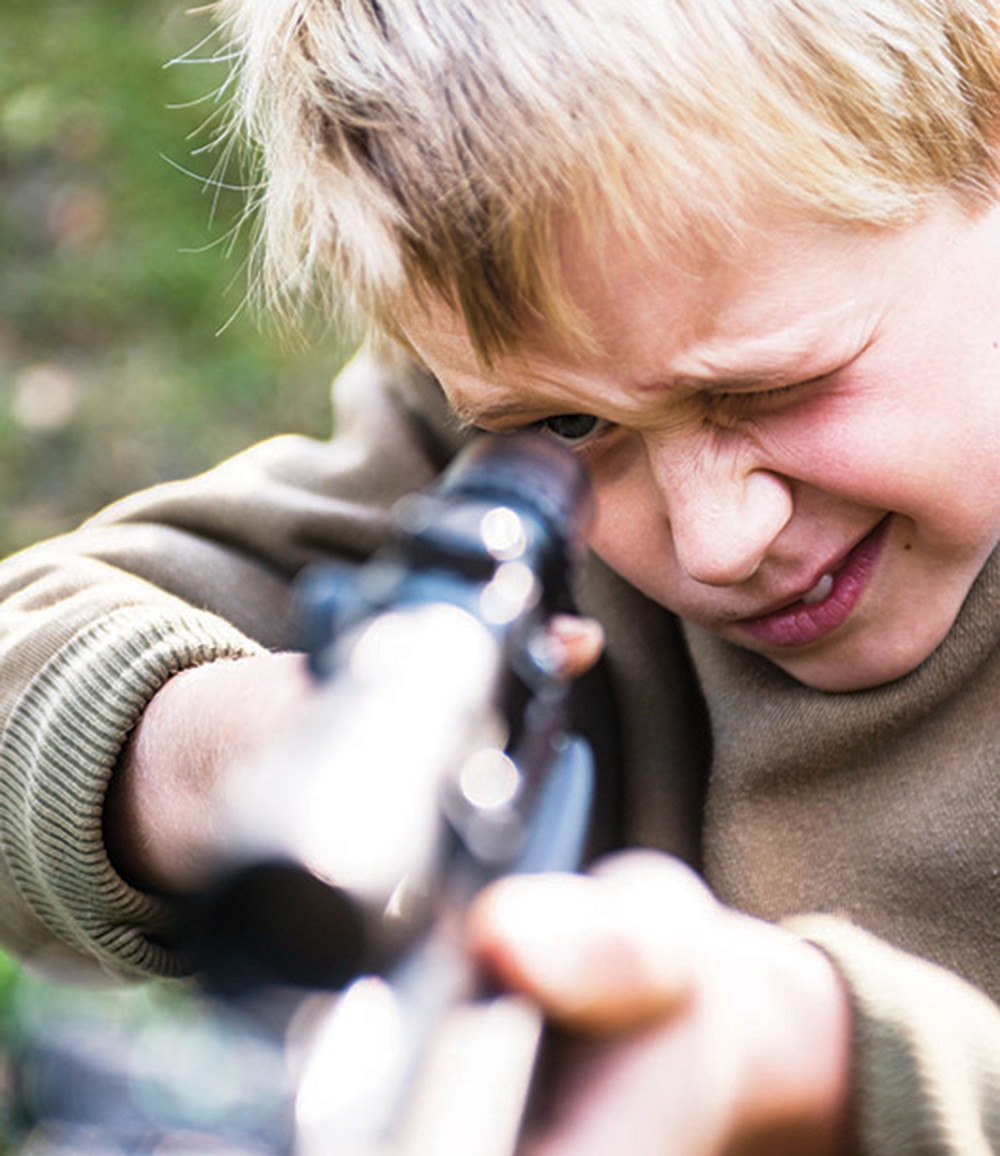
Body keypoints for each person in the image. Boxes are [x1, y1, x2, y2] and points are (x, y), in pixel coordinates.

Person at [1, 0, 999, 1151]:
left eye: (772, 389)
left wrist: (830, 1067)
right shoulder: (521, 387)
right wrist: (237, 752)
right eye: (569, 423)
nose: (715, 540)